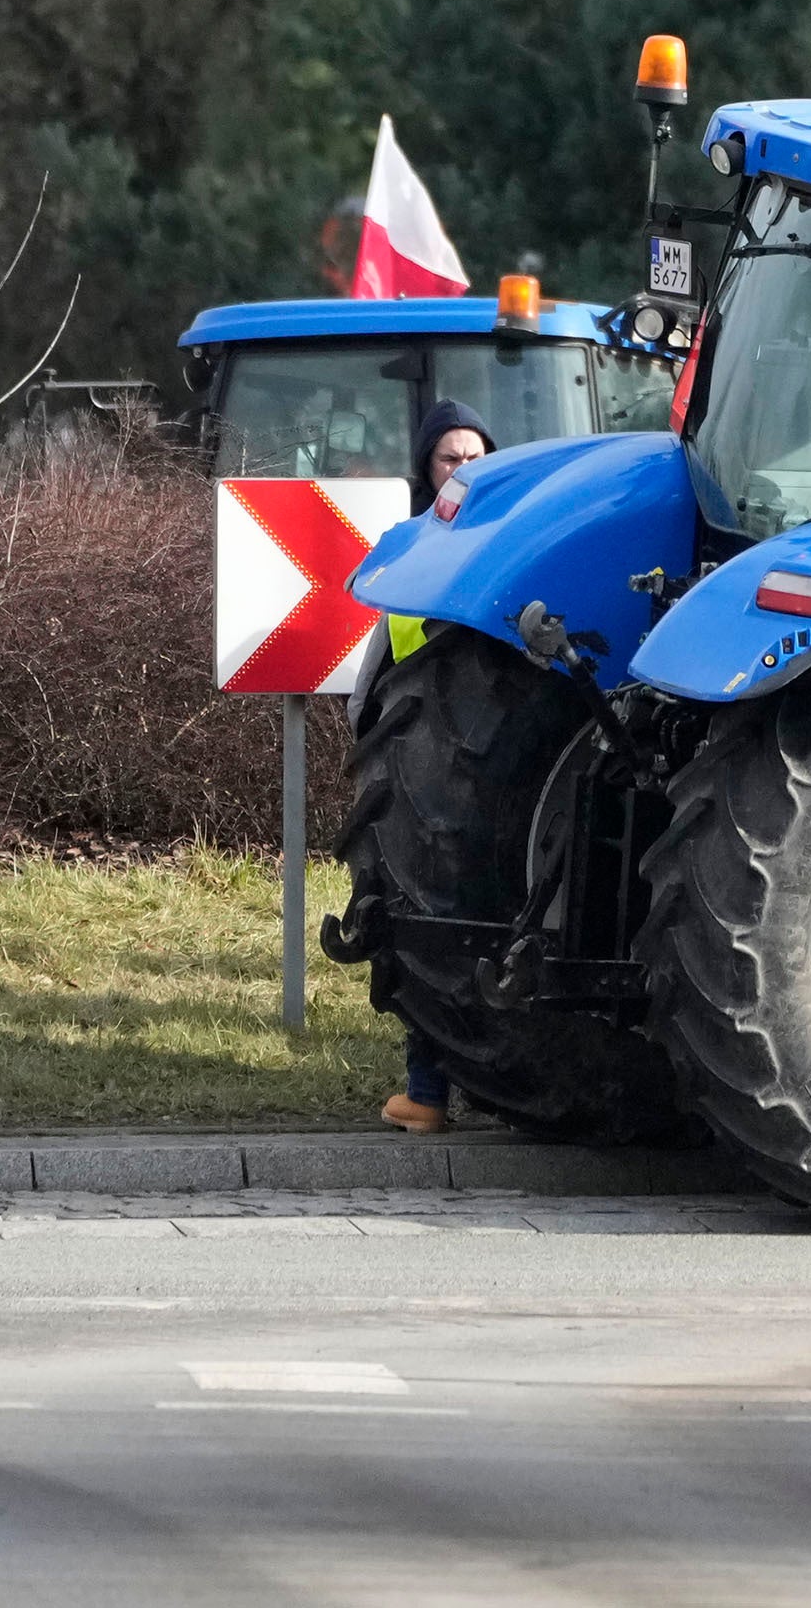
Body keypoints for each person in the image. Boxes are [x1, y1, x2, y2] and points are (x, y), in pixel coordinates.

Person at [378, 398, 499, 1138]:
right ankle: (428, 1090)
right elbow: (376, 669)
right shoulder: (433, 543)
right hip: (428, 761)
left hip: (456, 759)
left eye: (476, 453)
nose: (465, 466)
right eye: (450, 457)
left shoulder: (413, 543)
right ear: (426, 468)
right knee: (429, 921)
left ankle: (436, 1089)